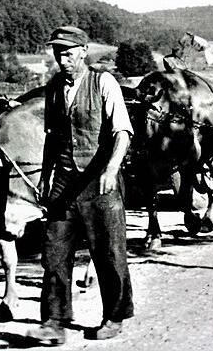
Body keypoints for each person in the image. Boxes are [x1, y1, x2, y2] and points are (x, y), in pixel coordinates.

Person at [26, 26, 134, 345]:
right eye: (58, 53)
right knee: (54, 251)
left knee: (109, 251)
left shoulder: (103, 82)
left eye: (69, 52)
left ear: (84, 51)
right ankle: (54, 321)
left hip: (99, 179)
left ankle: (114, 317)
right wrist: (46, 178)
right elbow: (52, 138)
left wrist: (111, 169)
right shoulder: (54, 88)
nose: (63, 59)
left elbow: (122, 132)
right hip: (63, 180)